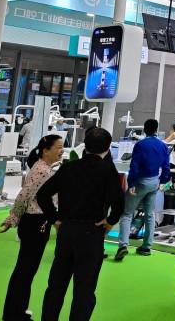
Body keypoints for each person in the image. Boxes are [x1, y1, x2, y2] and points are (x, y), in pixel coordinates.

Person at [36, 127, 124, 321]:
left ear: (85, 144)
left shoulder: (68, 167)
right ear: (108, 147)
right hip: (92, 231)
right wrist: (110, 221)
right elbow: (119, 202)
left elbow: (42, 195)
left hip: (66, 230)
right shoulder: (107, 170)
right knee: (85, 289)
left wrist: (55, 219)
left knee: (56, 286)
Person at [0, 135, 64, 321]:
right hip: (35, 223)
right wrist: (12, 218)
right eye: (58, 147)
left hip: (35, 223)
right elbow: (24, 196)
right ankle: (15, 314)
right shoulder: (43, 171)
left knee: (25, 271)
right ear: (45, 151)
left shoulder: (43, 168)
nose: (62, 151)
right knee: (25, 271)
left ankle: (16, 311)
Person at [115, 119, 170, 261]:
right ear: (156, 129)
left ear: (145, 130)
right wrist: (162, 181)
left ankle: (123, 246)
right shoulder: (163, 146)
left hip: (140, 181)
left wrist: (131, 183)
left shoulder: (140, 145)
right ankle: (146, 247)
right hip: (154, 182)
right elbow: (166, 166)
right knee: (149, 214)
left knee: (127, 213)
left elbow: (134, 166)